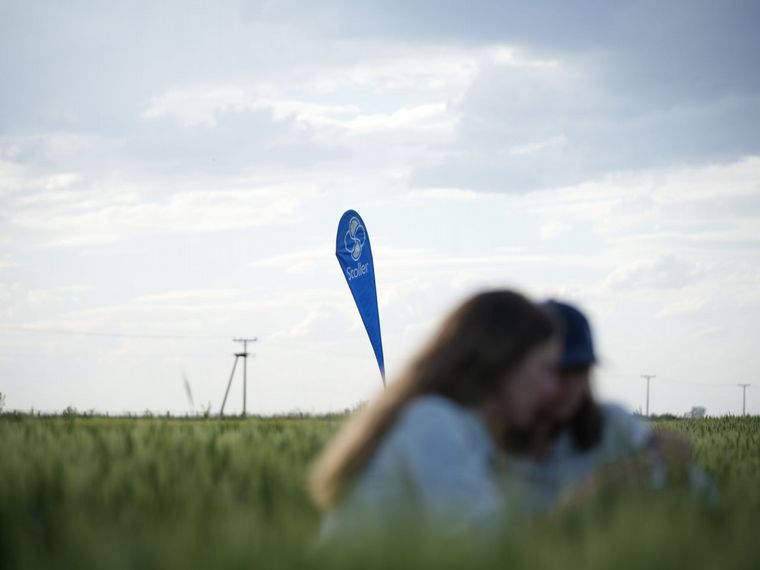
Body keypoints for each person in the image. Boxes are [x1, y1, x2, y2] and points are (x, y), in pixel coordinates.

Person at [309, 290, 561, 539]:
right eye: (544, 369)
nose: (552, 389)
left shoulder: (447, 422)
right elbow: (493, 549)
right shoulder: (434, 423)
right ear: (502, 361)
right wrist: (575, 512)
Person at [502, 299, 712, 519]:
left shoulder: (611, 422)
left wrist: (662, 457)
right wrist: (589, 494)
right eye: (559, 370)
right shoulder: (491, 439)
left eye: (580, 370)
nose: (571, 386)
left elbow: (692, 479)